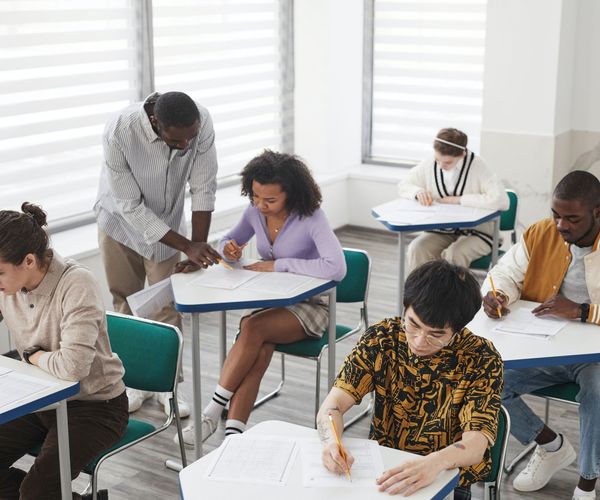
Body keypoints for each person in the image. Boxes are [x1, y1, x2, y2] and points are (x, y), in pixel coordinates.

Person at [177, 150, 347, 446]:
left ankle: (210, 413)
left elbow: (337, 268)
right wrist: (230, 247)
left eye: (270, 200)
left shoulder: (311, 218)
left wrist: (279, 264)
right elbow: (227, 240)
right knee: (260, 347)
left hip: (311, 305)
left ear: (291, 194)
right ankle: (233, 436)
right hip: (273, 301)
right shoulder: (254, 212)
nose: (261, 205)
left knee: (252, 329)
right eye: (255, 196)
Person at [318, 260, 503, 499]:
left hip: (447, 477)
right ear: (405, 308)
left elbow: (476, 443)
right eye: (413, 324)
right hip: (384, 469)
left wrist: (435, 463)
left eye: (436, 335)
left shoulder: (481, 358)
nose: (418, 341)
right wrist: (331, 442)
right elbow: (333, 406)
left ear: (458, 330)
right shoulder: (382, 339)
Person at [95, 91, 221, 417]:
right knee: (125, 302)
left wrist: (197, 247)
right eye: (177, 141)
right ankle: (135, 381)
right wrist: (187, 246)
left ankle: (168, 387)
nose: (185, 146)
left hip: (168, 227)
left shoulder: (199, 123)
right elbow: (130, 207)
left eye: (190, 139)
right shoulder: (119, 131)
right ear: (156, 123)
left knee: (166, 305)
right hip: (119, 223)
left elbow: (204, 187)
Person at [482, 170, 600, 500]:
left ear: (597, 212)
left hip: (594, 357)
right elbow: (503, 273)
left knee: (597, 389)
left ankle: (588, 480)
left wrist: (580, 311)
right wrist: (499, 295)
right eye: (556, 215)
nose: (561, 225)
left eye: (572, 218)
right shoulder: (541, 233)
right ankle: (551, 446)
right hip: (546, 344)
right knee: (487, 380)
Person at [0, 203, 127, 500]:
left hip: (96, 406)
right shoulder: (10, 284)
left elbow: (73, 368)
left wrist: (32, 356)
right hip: (39, 398)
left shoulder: (76, 284)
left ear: (29, 261)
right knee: (34, 493)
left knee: (37, 491)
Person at [398, 128, 509, 273]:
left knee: (453, 255)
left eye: (447, 162)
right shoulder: (430, 163)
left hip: (478, 233)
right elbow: (404, 185)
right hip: (441, 231)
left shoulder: (478, 166)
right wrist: (417, 192)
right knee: (417, 248)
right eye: (437, 160)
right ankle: (423, 295)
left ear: (462, 154)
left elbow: (502, 200)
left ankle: (451, 296)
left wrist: (460, 200)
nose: (440, 166)